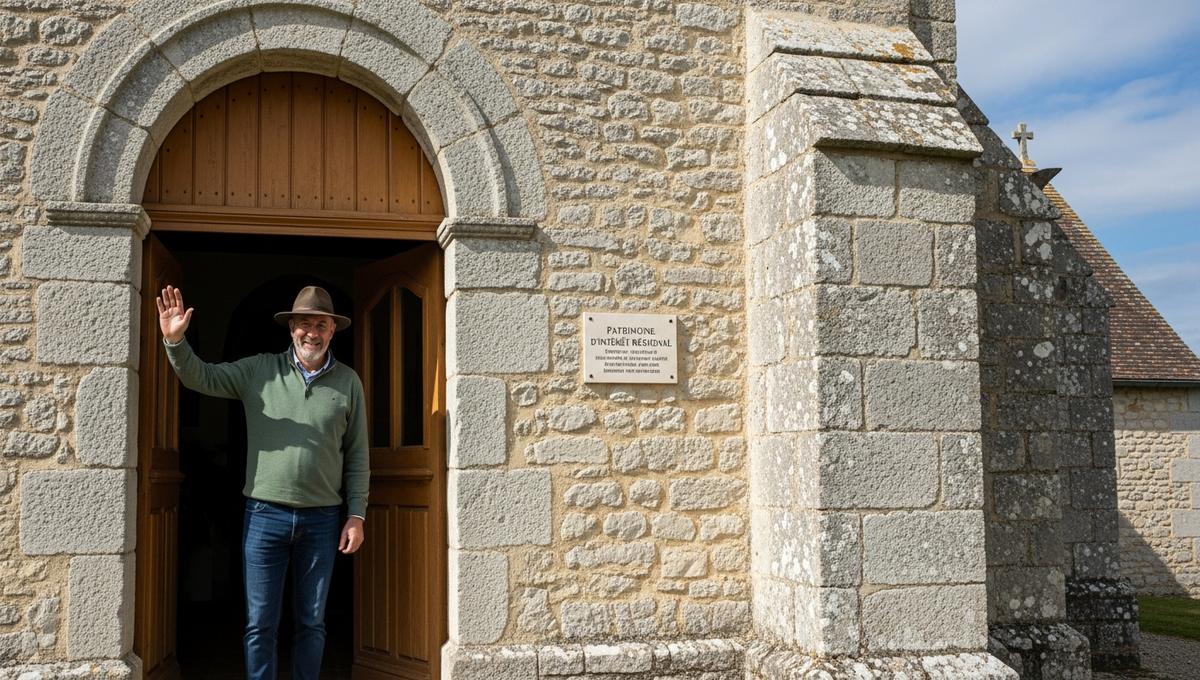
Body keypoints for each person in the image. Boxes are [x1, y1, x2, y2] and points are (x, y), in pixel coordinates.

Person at [157, 284, 369, 680]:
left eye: (321, 324)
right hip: (264, 516)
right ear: (290, 329)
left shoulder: (348, 383)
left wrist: (356, 515)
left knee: (312, 623)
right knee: (260, 625)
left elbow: (358, 456)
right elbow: (200, 377)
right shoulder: (259, 370)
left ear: (333, 330)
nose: (312, 332)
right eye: (304, 324)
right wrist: (176, 342)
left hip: (322, 519)